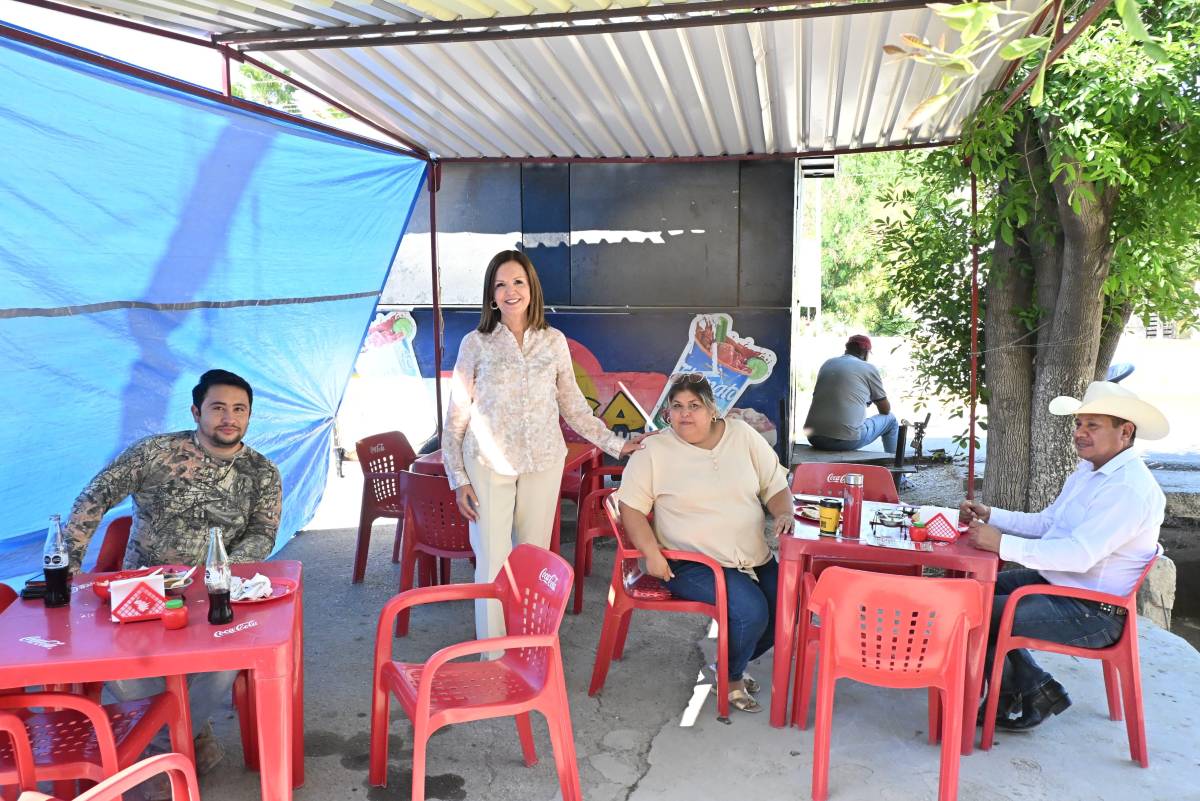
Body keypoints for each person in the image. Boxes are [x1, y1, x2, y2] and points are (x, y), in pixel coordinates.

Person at [63, 368, 282, 779]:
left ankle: (160, 755)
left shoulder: (262, 472)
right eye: (218, 408)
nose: (229, 418)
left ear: (250, 415)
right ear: (196, 412)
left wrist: (217, 576)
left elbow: (262, 533)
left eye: (239, 409)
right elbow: (94, 497)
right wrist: (70, 570)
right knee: (110, 664)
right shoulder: (154, 453)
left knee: (226, 663)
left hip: (215, 595)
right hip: (141, 593)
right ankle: (186, 746)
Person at [443, 250, 645, 645]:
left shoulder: (553, 342)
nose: (510, 291)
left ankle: (526, 646)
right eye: (501, 285)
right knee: (492, 560)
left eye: (518, 282)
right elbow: (456, 415)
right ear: (491, 296)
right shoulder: (475, 343)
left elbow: (573, 406)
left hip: (543, 462)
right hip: (486, 464)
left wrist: (617, 445)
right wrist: (458, 478)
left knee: (532, 557)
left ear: (531, 289)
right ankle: (493, 653)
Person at [961, 381, 1168, 731]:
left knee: (969, 612)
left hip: (1093, 610)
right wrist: (992, 515)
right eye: (1078, 423)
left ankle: (1026, 691)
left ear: (1126, 431)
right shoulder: (1090, 472)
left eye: (1093, 425)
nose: (1080, 433)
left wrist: (1001, 544)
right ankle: (1027, 690)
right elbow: (1048, 523)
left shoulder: (1127, 488)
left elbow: (1078, 556)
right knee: (969, 593)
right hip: (1061, 585)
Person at [614, 373, 793, 713]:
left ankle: (729, 661)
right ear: (667, 413)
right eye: (677, 406)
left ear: (713, 409)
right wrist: (651, 553)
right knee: (751, 612)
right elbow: (631, 507)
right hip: (690, 562)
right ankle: (730, 677)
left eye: (694, 405)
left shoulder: (742, 435)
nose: (685, 414)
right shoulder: (653, 450)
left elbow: (775, 484)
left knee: (786, 609)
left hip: (752, 554)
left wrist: (783, 512)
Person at [804, 334, 898, 453]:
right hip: (845, 441)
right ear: (865, 352)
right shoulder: (868, 368)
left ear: (847, 348)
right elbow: (885, 410)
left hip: (814, 437)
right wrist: (871, 398)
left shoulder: (827, 363)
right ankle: (893, 461)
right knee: (891, 419)